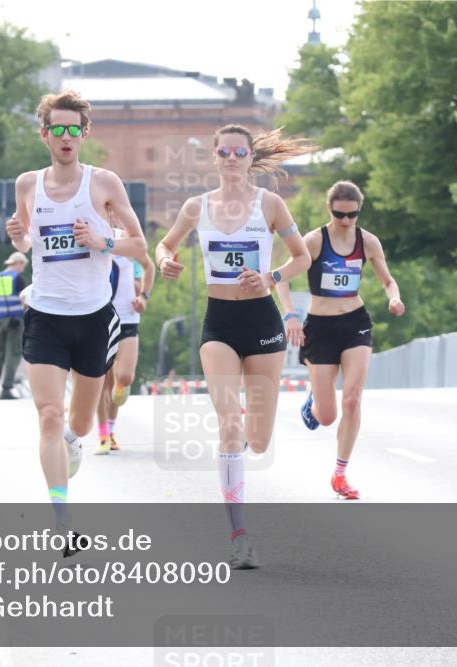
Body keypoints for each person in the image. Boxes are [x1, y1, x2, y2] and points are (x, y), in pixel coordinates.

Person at [155, 124, 314, 569]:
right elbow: (163, 246)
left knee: (258, 441)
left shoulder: (270, 204)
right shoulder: (196, 206)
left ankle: (244, 442)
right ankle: (239, 535)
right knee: (229, 422)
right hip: (219, 323)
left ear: (249, 158)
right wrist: (166, 261)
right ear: (214, 157)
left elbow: (300, 257)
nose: (230, 158)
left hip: (262, 322)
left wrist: (271, 278)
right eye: (222, 152)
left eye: (238, 152)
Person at [6, 90, 147, 556]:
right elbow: (31, 244)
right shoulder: (28, 184)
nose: (66, 138)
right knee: (48, 414)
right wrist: (20, 239)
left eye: (74, 129)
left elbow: (140, 247)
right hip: (45, 314)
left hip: (93, 318)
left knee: (80, 422)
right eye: (57, 129)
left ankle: (74, 440)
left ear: (84, 134)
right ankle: (63, 521)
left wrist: (104, 239)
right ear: (45, 134)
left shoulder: (104, 183)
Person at [276, 181, 405, 500]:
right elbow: (279, 278)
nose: (346, 221)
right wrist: (290, 314)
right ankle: (313, 403)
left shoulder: (368, 242)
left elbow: (388, 280)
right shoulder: (315, 241)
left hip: (354, 323)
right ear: (329, 210)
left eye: (352, 215)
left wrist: (394, 298)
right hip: (319, 327)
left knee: (353, 399)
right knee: (328, 415)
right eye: (339, 214)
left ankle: (340, 473)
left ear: (359, 211)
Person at [94, 210, 155, 454]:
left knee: (124, 378)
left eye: (113, 211)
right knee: (101, 382)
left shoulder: (128, 240)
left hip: (128, 317)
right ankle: (104, 435)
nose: (111, 216)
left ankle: (110, 425)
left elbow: (149, 268)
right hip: (97, 317)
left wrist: (144, 296)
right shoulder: (87, 235)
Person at [0, 252, 28, 400]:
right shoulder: (18, 278)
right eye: (23, 265)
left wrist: (1, 310)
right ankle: (6, 389)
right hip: (15, 321)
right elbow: (25, 299)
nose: (23, 268)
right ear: (19, 262)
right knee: (13, 355)